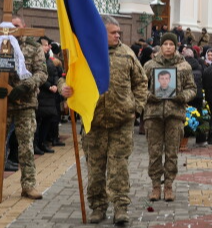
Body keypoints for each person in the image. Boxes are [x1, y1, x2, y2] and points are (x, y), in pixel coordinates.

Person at [60, 16, 148, 224]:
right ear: (101, 32)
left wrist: (136, 108)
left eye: (119, 32)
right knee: (96, 170)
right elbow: (68, 76)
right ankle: (98, 207)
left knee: (119, 170)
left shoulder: (127, 54)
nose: (118, 35)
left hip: (121, 123)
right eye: (113, 32)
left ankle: (121, 209)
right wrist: (64, 85)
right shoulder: (84, 54)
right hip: (93, 123)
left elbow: (141, 82)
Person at [0, 15, 48, 201]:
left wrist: (26, 85)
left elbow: (42, 73)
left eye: (16, 26)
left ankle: (28, 185)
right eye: (8, 26)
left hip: (25, 103)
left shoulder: (33, 47)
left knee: (26, 147)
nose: (11, 29)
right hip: (0, 104)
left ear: (24, 27)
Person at [143, 32, 196, 202]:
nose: (168, 47)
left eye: (171, 44)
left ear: (176, 46)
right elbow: (139, 87)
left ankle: (168, 186)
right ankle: (155, 186)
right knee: (155, 152)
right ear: (161, 45)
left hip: (174, 114)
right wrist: (150, 96)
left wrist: (182, 97)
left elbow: (192, 88)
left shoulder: (184, 67)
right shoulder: (150, 65)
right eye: (165, 44)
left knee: (172, 151)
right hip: (154, 114)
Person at [35, 36, 59, 154]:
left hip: (50, 96)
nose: (48, 47)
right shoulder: (37, 58)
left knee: (48, 119)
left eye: (48, 45)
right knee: (38, 121)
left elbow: (54, 73)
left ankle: (42, 142)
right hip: (42, 94)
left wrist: (55, 84)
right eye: (45, 45)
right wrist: (49, 86)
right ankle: (37, 144)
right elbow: (39, 74)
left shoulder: (49, 59)